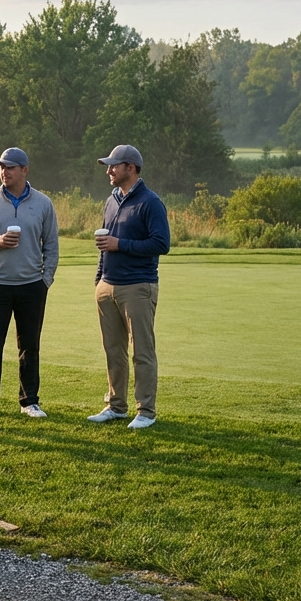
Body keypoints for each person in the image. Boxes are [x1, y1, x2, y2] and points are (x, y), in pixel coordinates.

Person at [0, 147, 59, 420]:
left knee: (29, 346)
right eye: (1, 167)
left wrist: (45, 280)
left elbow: (51, 245)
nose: (4, 172)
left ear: (25, 170)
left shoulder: (43, 203)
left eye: (10, 167)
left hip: (32, 285)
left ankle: (29, 400)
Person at [87, 145, 170, 429]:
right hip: (108, 285)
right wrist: (99, 279)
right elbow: (104, 244)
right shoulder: (111, 200)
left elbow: (161, 244)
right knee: (113, 350)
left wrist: (120, 245)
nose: (109, 170)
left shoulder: (150, 202)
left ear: (130, 168)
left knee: (142, 352)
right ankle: (116, 406)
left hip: (138, 285)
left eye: (114, 165)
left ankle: (146, 411)